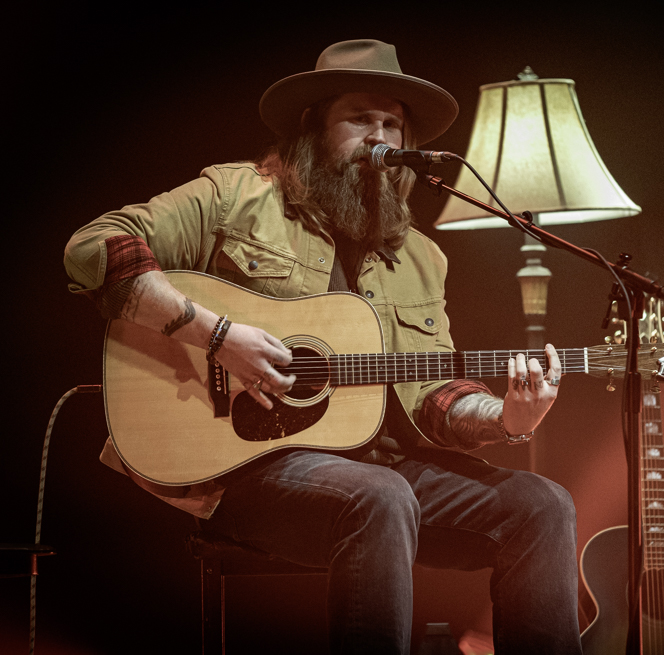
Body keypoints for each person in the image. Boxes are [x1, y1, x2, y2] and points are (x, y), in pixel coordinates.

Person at [63, 39, 582, 654]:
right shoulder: (235, 198)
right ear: (313, 127)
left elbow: (433, 388)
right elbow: (94, 247)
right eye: (360, 118)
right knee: (380, 495)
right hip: (248, 468)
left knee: (542, 503)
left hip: (383, 471)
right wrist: (216, 335)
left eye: (392, 123)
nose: (379, 135)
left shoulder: (421, 255)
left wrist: (507, 418)